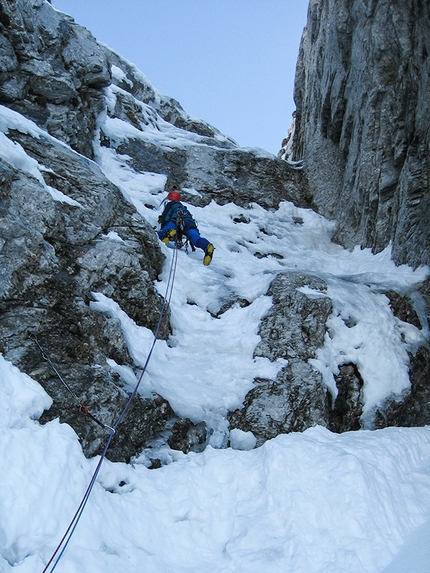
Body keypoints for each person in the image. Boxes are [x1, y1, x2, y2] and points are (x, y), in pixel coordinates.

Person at [157, 190, 215, 265]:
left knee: (161, 233)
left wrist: (163, 225)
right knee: (196, 239)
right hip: (189, 222)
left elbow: (166, 216)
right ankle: (207, 246)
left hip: (175, 219)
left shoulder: (171, 204)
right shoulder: (184, 208)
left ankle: (168, 233)